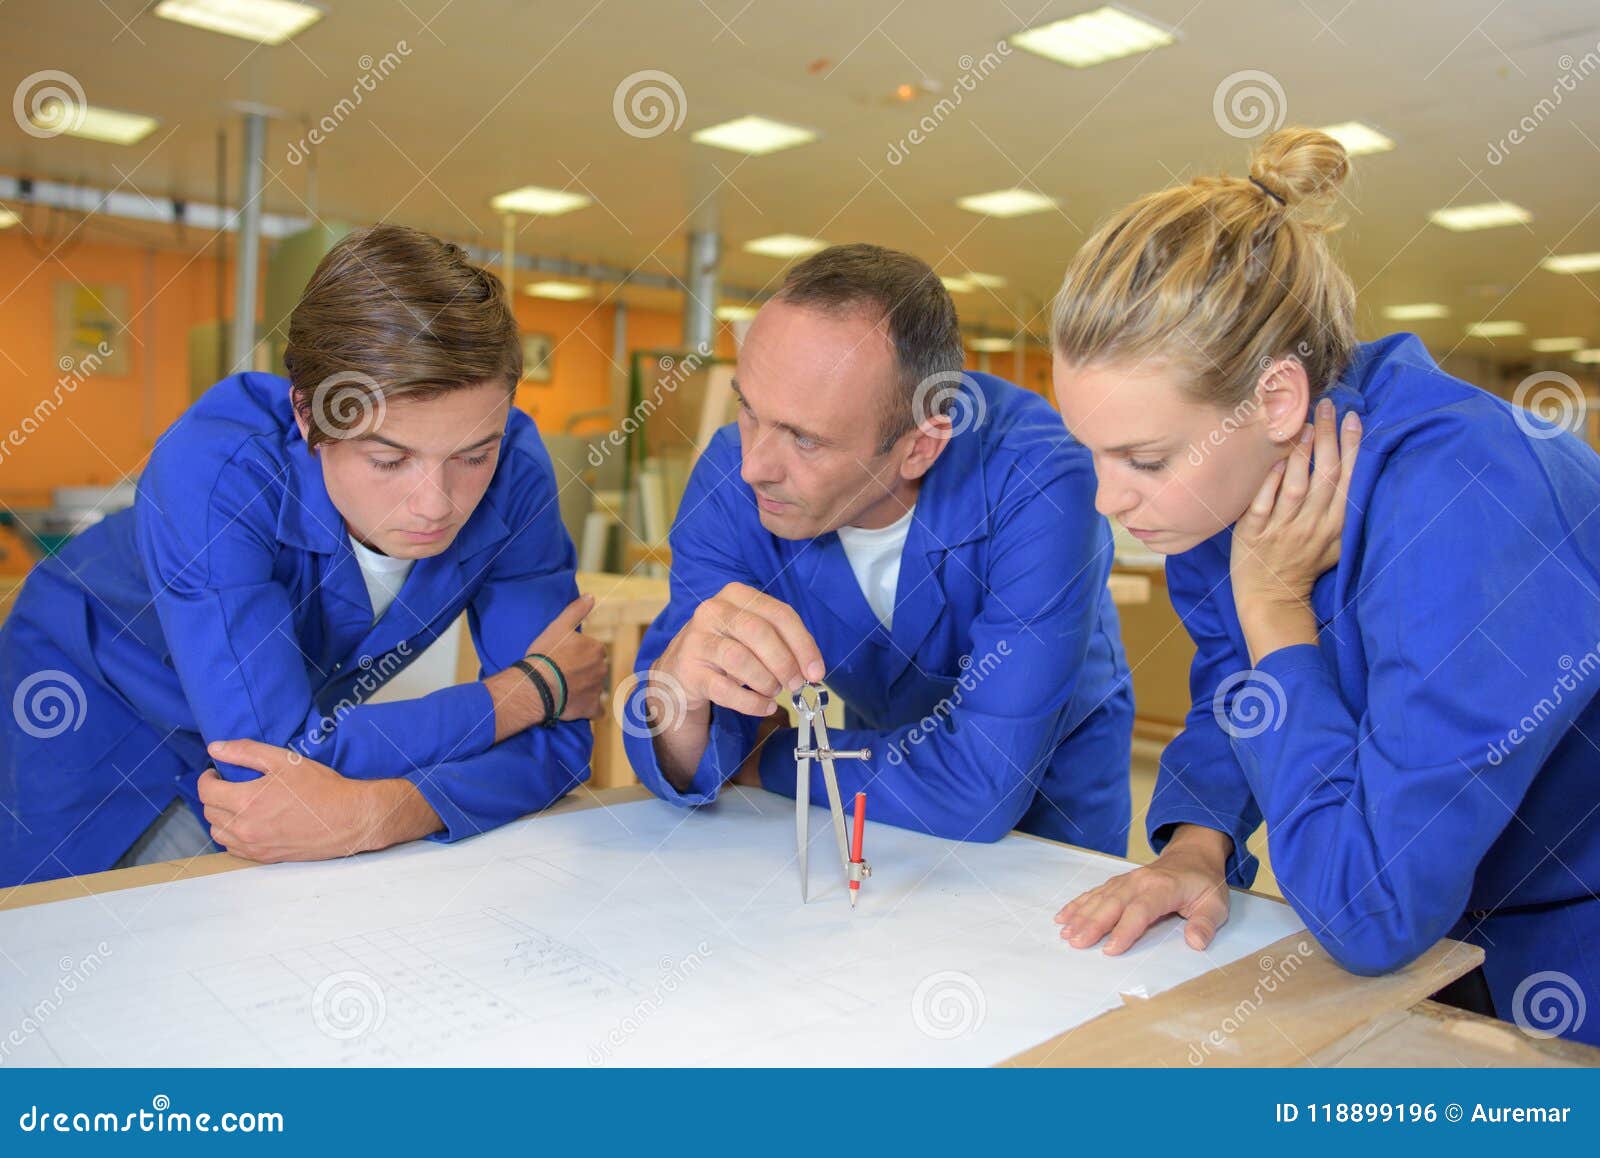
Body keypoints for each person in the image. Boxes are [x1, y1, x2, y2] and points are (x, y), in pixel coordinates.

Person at [1049, 128, 1600, 1045]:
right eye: (1093, 452)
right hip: (1460, 923)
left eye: (1143, 457)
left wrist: (1274, 607)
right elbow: (1240, 687)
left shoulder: (1465, 501)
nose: (1109, 499)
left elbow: (1370, 911)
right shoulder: (1233, 474)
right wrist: (1199, 844)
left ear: (1274, 398)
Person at [0, 224, 605, 887]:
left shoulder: (515, 469)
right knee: (73, 936)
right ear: (308, 416)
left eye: (472, 455)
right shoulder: (215, 465)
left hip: (286, 715)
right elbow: (268, 757)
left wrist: (385, 810)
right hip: (94, 694)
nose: (436, 504)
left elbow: (563, 744)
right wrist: (527, 692)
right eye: (388, 458)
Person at [623, 243, 1133, 853]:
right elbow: (692, 745)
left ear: (920, 447)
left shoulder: (1044, 480)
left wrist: (775, 760)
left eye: (806, 440)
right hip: (873, 788)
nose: (754, 465)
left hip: (1053, 811)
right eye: (749, 410)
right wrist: (678, 690)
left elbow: (982, 785)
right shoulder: (730, 479)